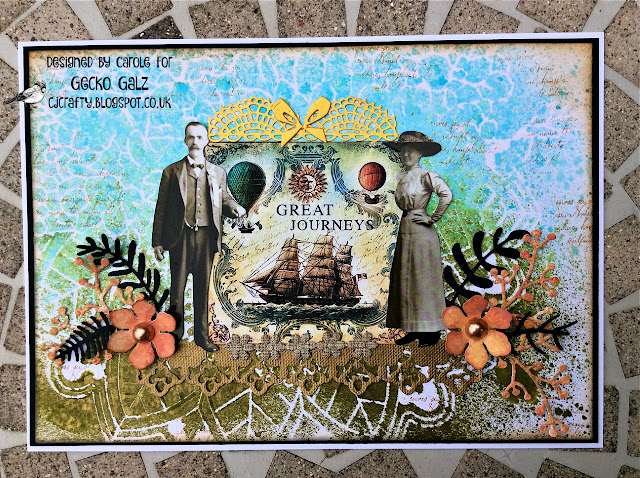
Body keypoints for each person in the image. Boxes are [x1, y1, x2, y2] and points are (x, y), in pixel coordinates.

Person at [152, 122, 245, 352]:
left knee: (202, 289)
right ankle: (175, 335)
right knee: (177, 290)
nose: (195, 141)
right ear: (185, 140)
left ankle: (202, 337)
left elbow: (224, 200)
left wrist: (235, 207)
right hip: (180, 237)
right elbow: (161, 208)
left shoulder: (218, 173)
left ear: (206, 141)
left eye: (199, 137)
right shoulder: (171, 171)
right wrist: (157, 242)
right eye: (191, 137)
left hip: (206, 238)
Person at [384, 131, 453, 346]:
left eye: (411, 151)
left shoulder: (426, 175)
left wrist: (432, 218)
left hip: (422, 231)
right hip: (405, 228)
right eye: (403, 151)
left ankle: (430, 332)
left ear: (420, 153)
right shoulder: (400, 178)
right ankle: (411, 327)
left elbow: (446, 194)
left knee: (423, 279)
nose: (406, 155)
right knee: (406, 279)